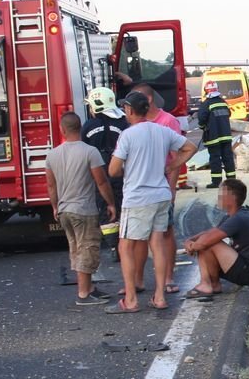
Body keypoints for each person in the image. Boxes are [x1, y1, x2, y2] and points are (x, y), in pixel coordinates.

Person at [107, 91, 196, 314]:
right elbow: (190, 147)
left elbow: (114, 170)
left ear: (129, 110)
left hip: (137, 197)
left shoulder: (127, 135)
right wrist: (172, 166)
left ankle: (130, 299)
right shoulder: (162, 131)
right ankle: (159, 296)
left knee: (125, 246)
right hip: (161, 194)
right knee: (157, 244)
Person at [46, 112, 117, 306]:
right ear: (80, 128)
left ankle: (89, 288)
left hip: (64, 209)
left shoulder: (52, 155)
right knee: (88, 248)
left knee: (75, 248)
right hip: (84, 209)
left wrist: (54, 206)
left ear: (62, 130)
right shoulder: (90, 152)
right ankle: (84, 293)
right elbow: (101, 181)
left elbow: (51, 186)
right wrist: (110, 203)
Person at [183, 178, 249, 297]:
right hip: (247, 268)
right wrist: (190, 241)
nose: (218, 198)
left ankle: (205, 284)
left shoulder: (238, 218)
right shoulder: (232, 216)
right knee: (207, 240)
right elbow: (209, 232)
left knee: (209, 243)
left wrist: (193, 246)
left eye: (221, 194)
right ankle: (214, 285)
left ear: (231, 197)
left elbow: (206, 241)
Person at [134, 82, 184, 294]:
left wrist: (171, 189)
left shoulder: (168, 122)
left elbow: (178, 156)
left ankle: (168, 277)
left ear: (149, 100)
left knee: (165, 232)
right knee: (141, 236)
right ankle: (138, 280)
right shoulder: (135, 123)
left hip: (162, 186)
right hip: (142, 188)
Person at [81, 87, 128, 261]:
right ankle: (126, 244)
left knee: (106, 210)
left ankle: (114, 246)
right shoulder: (123, 122)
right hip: (122, 171)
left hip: (99, 173)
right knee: (124, 207)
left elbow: (84, 148)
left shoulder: (88, 125)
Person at [198, 80, 236, 188]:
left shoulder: (206, 104)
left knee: (215, 159)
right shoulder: (223, 102)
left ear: (206, 91)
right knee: (228, 158)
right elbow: (228, 114)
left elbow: (201, 119)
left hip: (213, 137)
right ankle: (231, 181)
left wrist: (203, 127)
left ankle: (216, 182)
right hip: (226, 135)